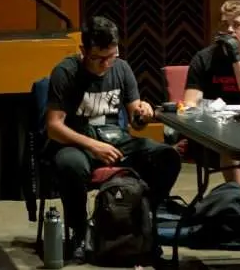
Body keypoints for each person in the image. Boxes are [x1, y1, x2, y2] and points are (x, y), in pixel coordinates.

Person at [45, 16, 182, 260]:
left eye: (112, 55)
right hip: (77, 141)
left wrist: (144, 114)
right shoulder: (65, 72)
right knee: (70, 164)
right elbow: (54, 127)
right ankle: (79, 232)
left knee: (167, 156)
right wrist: (93, 146)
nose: (107, 63)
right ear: (83, 51)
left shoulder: (122, 69)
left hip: (115, 139)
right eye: (99, 58)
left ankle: (143, 221)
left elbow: (135, 123)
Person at [182, 0, 240, 184]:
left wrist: (235, 59)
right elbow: (190, 103)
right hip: (215, 131)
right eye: (225, 24)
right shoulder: (204, 59)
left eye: (237, 25)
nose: (230, 30)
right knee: (229, 143)